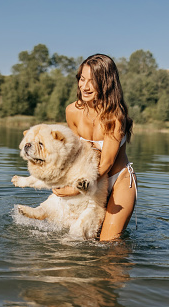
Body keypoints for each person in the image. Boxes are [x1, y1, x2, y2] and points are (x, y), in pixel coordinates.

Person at [53, 54, 137, 241]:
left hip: (117, 180)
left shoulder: (115, 117)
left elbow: (106, 163)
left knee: (108, 244)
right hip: (88, 181)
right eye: (82, 79)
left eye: (93, 81)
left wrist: (75, 189)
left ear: (106, 83)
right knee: (80, 239)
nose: (85, 86)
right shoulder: (72, 111)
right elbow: (73, 152)